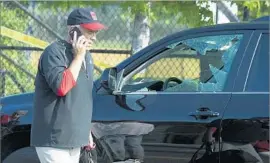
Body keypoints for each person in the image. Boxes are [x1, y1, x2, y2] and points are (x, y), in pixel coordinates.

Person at [30, 8, 106, 163]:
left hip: (75, 139)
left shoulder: (87, 56)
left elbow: (82, 98)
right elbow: (62, 87)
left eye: (95, 32)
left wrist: (85, 131)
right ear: (73, 31)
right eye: (89, 31)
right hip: (54, 140)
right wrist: (78, 57)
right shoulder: (54, 53)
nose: (94, 37)